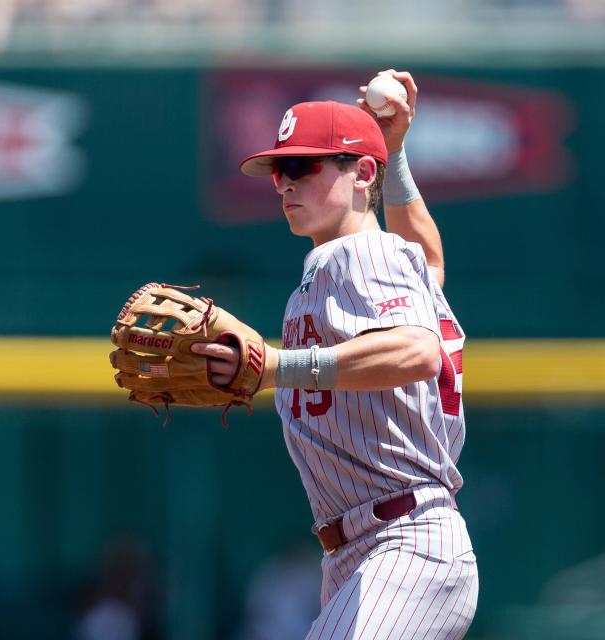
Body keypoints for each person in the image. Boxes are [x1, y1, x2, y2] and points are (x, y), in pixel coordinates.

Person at [192, 70, 478, 639]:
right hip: (362, 552)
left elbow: (418, 350)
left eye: (302, 167)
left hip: (405, 542)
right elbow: (428, 262)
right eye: (279, 171)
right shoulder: (379, 259)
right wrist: (393, 156)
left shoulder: (358, 254)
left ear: (359, 173)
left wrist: (279, 366)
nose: (283, 184)